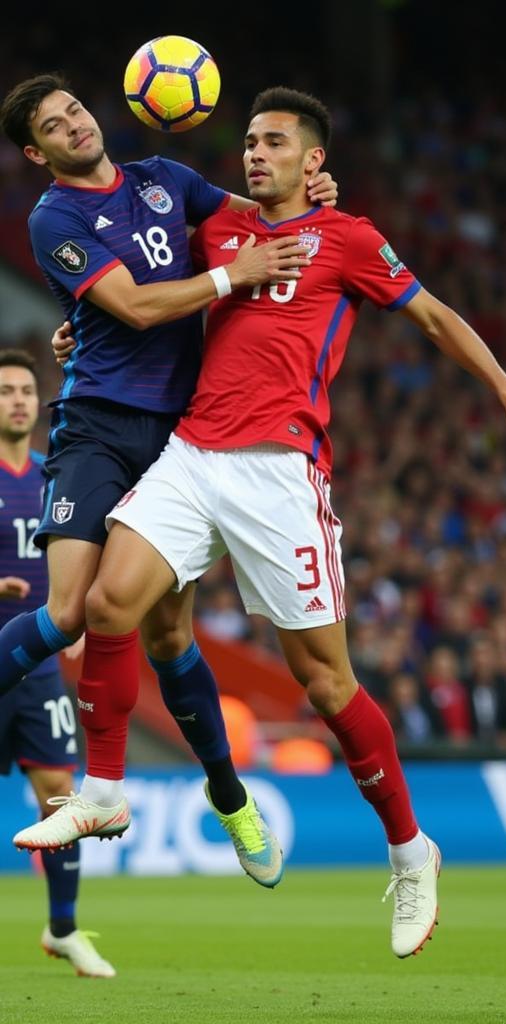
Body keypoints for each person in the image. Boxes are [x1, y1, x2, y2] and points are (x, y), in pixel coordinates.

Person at [21, 86, 506, 959]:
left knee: (326, 684)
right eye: (249, 141)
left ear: (313, 161)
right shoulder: (216, 231)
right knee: (106, 606)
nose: (255, 154)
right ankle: (103, 788)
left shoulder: (352, 239)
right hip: (191, 452)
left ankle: (411, 851)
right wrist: (76, 331)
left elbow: (436, 315)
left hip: (280, 472)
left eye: (275, 142)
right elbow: (136, 293)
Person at [0, 73, 338, 887]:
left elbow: (254, 220)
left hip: (183, 435)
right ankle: (114, 789)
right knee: (70, 608)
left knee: (168, 637)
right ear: (35, 151)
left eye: (75, 109)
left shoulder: (165, 180)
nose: (75, 125)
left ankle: (230, 798)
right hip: (97, 427)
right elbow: (142, 307)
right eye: (55, 125)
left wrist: (311, 188)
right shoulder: (56, 218)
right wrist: (234, 277)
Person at [0, 349, 113, 977]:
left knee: (59, 800)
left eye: (24, 390)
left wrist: (77, 622)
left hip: (38, 670)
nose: (17, 399)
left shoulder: (55, 474)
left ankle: (64, 927)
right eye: (5, 391)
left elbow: (83, 564)